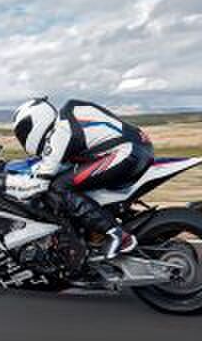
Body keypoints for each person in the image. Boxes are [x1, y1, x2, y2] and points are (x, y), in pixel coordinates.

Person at [8, 97, 154, 260]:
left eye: (23, 132)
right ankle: (92, 233)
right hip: (133, 148)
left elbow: (41, 180)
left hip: (125, 152)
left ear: (36, 120)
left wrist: (4, 182)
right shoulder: (65, 120)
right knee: (67, 181)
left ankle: (118, 235)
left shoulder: (60, 131)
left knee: (59, 187)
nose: (23, 137)